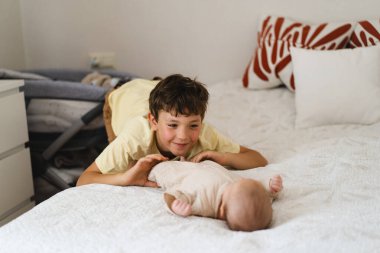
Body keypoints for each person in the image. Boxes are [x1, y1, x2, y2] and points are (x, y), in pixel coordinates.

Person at [76, 74, 268, 187]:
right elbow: (84, 179)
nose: (183, 137)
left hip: (152, 89)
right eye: (173, 125)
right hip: (123, 95)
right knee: (122, 166)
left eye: (193, 125)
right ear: (153, 122)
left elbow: (257, 159)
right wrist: (126, 178)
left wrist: (222, 156)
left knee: (162, 89)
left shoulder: (205, 135)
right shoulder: (135, 137)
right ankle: (109, 81)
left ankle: (155, 82)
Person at [148, 160, 283, 232]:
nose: (236, 183)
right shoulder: (237, 192)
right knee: (246, 188)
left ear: (222, 213)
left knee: (160, 170)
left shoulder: (204, 203)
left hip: (170, 167)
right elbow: (255, 196)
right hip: (203, 164)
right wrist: (270, 188)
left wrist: (174, 206)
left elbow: (171, 194)